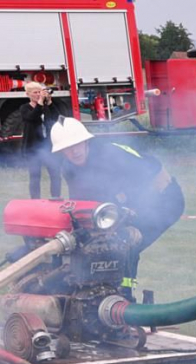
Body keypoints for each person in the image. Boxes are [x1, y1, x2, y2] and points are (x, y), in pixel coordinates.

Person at [50, 117, 185, 300]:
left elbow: (152, 169)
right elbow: (81, 202)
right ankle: (96, 294)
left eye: (77, 144)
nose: (73, 151)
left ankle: (125, 297)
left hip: (164, 199)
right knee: (94, 245)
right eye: (67, 148)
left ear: (85, 141)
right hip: (124, 204)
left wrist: (131, 211)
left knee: (125, 244)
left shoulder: (111, 155)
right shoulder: (69, 168)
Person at [20, 82, 62, 199]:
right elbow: (31, 117)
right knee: (34, 176)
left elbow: (57, 118)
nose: (38, 94)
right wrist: (39, 104)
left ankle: (56, 198)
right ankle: (35, 201)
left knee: (55, 174)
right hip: (33, 147)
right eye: (35, 92)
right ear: (28, 94)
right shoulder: (24, 108)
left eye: (40, 92)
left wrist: (49, 103)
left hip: (48, 146)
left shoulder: (45, 107)